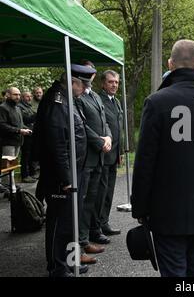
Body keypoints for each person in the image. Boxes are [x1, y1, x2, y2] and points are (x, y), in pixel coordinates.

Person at [131, 39, 194, 277]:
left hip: (167, 212)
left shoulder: (156, 102)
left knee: (174, 272)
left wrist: (140, 207)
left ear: (170, 64)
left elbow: (144, 161)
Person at [33, 65, 93, 277]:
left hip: (73, 173)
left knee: (71, 223)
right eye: (83, 85)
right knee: (60, 223)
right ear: (72, 81)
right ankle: (58, 267)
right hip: (61, 177)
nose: (85, 89)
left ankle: (70, 261)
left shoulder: (67, 98)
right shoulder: (57, 102)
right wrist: (66, 178)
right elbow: (57, 144)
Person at [75, 60, 112, 263]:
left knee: (91, 201)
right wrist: (100, 142)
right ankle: (80, 242)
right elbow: (82, 125)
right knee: (82, 202)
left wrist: (108, 137)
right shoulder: (78, 98)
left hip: (99, 156)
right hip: (87, 157)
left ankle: (86, 238)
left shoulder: (96, 96)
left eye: (92, 72)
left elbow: (104, 120)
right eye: (86, 72)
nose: (90, 76)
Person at [97, 70, 123, 236]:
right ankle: (97, 225)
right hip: (103, 154)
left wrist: (119, 152)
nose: (114, 85)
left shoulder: (117, 101)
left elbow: (118, 129)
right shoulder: (99, 100)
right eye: (111, 82)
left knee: (109, 192)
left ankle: (104, 222)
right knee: (101, 192)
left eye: (116, 82)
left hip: (114, 155)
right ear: (103, 84)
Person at [0, 87, 32, 158]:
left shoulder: (17, 108)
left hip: (18, 142)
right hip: (8, 142)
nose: (18, 97)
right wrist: (19, 130)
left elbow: (20, 124)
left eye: (19, 95)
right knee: (8, 167)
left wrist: (28, 130)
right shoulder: (3, 108)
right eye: (15, 94)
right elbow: (2, 125)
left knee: (14, 165)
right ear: (8, 95)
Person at [18, 91, 37, 183]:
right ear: (22, 97)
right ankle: (25, 175)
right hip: (25, 133)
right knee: (25, 155)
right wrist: (37, 114)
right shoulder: (19, 107)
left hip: (32, 133)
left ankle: (31, 173)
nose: (29, 98)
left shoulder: (28, 106)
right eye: (27, 97)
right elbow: (26, 120)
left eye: (30, 96)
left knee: (31, 154)